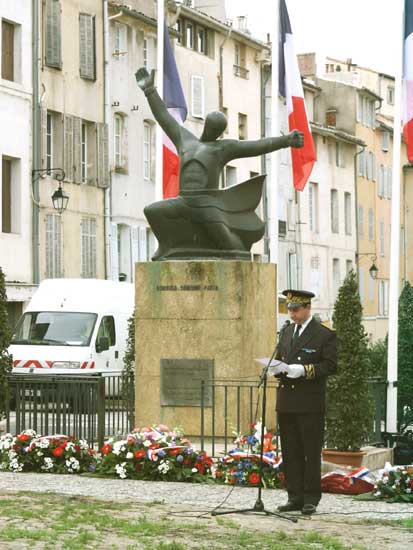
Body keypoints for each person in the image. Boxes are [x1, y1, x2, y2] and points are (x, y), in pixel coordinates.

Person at [135, 67, 304, 260]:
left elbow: (256, 146)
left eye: (217, 128)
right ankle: (167, 247)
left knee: (231, 248)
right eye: (212, 125)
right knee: (153, 211)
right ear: (207, 124)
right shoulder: (185, 140)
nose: (213, 130)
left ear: (220, 132)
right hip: (183, 201)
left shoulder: (223, 148)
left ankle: (237, 252)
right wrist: (150, 91)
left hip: (207, 204)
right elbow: (163, 117)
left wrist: (286, 140)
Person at [274, 289, 337, 515]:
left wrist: (304, 370)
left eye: (296, 309)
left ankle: (310, 498)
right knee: (290, 451)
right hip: (287, 401)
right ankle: (294, 496)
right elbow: (280, 358)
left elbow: (330, 365)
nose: (291, 314)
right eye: (289, 309)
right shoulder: (286, 331)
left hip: (309, 402)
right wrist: (276, 369)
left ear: (308, 308)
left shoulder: (323, 334)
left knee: (310, 452)